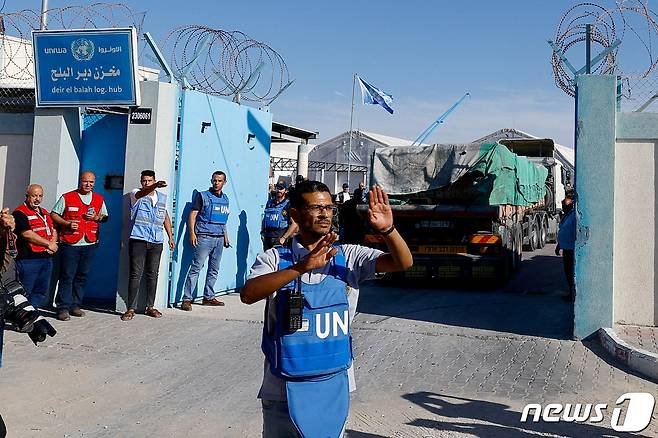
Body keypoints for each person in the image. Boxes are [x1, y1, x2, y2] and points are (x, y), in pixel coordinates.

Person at [241, 180, 413, 437]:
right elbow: (249, 294)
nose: (324, 214)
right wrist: (301, 267)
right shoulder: (275, 258)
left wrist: (389, 230)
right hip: (282, 389)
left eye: (329, 208)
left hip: (333, 386)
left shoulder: (349, 257)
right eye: (315, 208)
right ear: (295, 214)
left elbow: (403, 263)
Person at [50, 171, 108, 321]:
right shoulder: (67, 197)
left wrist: (96, 217)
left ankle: (75, 305)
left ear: (95, 183)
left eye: (91, 182)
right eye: (85, 181)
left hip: (89, 243)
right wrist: (67, 223)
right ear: (80, 181)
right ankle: (62, 307)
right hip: (70, 243)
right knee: (67, 276)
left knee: (82, 275)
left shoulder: (98, 199)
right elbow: (54, 214)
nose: (88, 184)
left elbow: (104, 217)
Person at [121, 170, 175, 321]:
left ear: (154, 180)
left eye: (149, 181)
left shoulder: (162, 198)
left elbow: (164, 217)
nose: (146, 183)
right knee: (135, 274)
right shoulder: (136, 194)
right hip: (139, 239)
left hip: (156, 241)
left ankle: (150, 306)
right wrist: (156, 186)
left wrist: (170, 236)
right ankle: (130, 308)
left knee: (153, 274)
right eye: (144, 181)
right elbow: (142, 193)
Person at [181, 171, 231, 311]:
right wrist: (192, 233)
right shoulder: (202, 196)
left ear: (224, 183)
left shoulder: (226, 198)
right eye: (214, 180)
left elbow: (223, 219)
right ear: (211, 180)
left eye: (219, 181)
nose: (216, 183)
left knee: (214, 269)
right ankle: (187, 299)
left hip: (219, 238)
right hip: (204, 236)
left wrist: (226, 237)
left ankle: (208, 297)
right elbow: (192, 215)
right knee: (196, 268)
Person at [12, 184, 58, 309]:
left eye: (40, 196)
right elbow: (27, 234)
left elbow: (52, 230)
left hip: (46, 258)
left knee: (40, 291)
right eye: (34, 196)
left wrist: (53, 243)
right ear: (27, 196)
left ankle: (33, 315)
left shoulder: (44, 212)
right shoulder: (19, 213)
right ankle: (21, 317)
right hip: (28, 259)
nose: (37, 199)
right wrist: (48, 243)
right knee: (25, 292)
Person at [261, 181, 298, 250]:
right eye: (277, 188)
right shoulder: (270, 203)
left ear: (286, 191)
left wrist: (283, 238)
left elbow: (294, 224)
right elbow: (265, 218)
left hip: (279, 238)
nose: (279, 190)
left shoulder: (288, 204)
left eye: (281, 188)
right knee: (267, 260)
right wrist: (262, 233)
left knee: (279, 260)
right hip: (267, 238)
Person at [555, 190, 576, 302]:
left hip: (571, 249)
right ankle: (570, 291)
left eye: (565, 206)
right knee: (567, 272)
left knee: (571, 272)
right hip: (566, 248)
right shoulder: (566, 216)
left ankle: (572, 293)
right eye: (563, 206)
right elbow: (562, 230)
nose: (563, 208)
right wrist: (559, 245)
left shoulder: (573, 216)